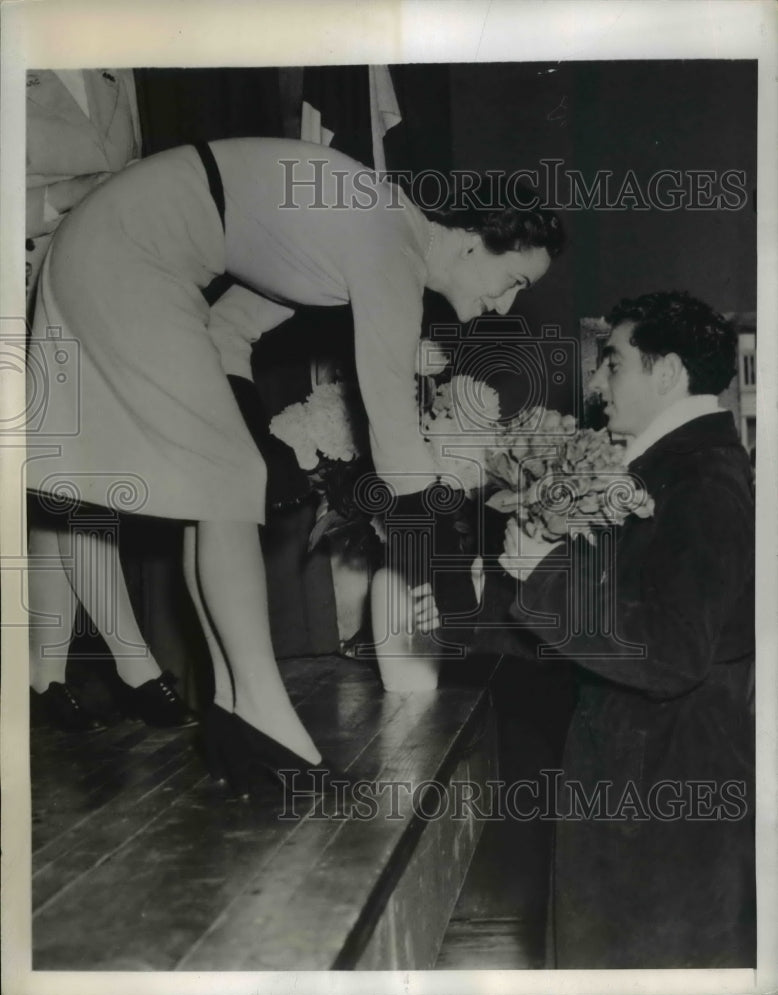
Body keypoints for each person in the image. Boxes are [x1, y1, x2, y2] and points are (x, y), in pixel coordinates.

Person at [27, 137, 563, 793]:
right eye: (514, 282)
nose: (507, 306)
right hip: (123, 254)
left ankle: (235, 711)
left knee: (222, 483)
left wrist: (251, 431)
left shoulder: (364, 232)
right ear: (476, 240)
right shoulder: (389, 245)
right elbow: (393, 426)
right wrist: (452, 591)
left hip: (111, 246)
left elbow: (229, 331)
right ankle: (263, 716)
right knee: (228, 483)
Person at [415, 290, 754, 967]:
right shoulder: (668, 467)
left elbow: (670, 654)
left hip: (664, 794)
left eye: (614, 363)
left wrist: (541, 575)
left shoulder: (703, 479)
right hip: (640, 783)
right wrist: (474, 619)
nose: (597, 383)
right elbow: (614, 621)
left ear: (667, 372)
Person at [26, 68, 198, 732]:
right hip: (24, 296)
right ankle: (136, 666)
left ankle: (43, 679)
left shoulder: (113, 63)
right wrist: (77, 193)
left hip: (99, 298)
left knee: (60, 495)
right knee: (76, 488)